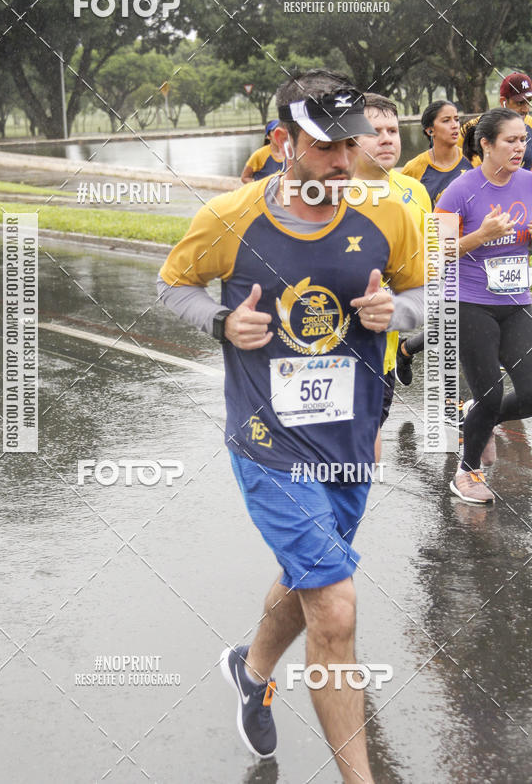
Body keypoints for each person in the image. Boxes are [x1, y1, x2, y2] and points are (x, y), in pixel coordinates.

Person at [158, 69, 424, 783]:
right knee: (334, 608)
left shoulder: (388, 215)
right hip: (269, 443)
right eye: (324, 146)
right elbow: (173, 285)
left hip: (349, 438)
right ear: (282, 142)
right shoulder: (230, 218)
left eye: (350, 144)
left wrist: (397, 312)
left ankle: (251, 670)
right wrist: (221, 321)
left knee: (313, 575)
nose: (342, 161)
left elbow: (427, 292)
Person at [436, 107, 532, 503]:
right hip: (469, 301)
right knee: (491, 393)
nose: (519, 147)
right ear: (487, 145)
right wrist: (480, 236)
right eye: (510, 140)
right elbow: (434, 252)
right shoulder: (460, 190)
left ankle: (480, 413)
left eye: (523, 139)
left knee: (530, 393)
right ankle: (467, 471)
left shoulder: (529, 182)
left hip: (518, 300)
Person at [355, 93, 432, 458]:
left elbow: (427, 275)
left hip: (384, 351)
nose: (387, 139)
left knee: (367, 441)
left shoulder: (415, 193)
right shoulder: (326, 192)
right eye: (375, 131)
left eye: (393, 130)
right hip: (329, 351)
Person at [396, 101, 472, 382]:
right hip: (437, 253)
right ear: (430, 130)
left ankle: (407, 349)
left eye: (456, 119)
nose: (454, 125)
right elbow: (400, 210)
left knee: (463, 321)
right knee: (455, 322)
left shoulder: (472, 160)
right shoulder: (414, 169)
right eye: (446, 120)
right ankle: (458, 397)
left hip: (474, 250)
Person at [459, 72, 532, 169]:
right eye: (520, 103)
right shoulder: (478, 125)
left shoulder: (530, 123)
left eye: (528, 101)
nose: (526, 109)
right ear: (503, 102)